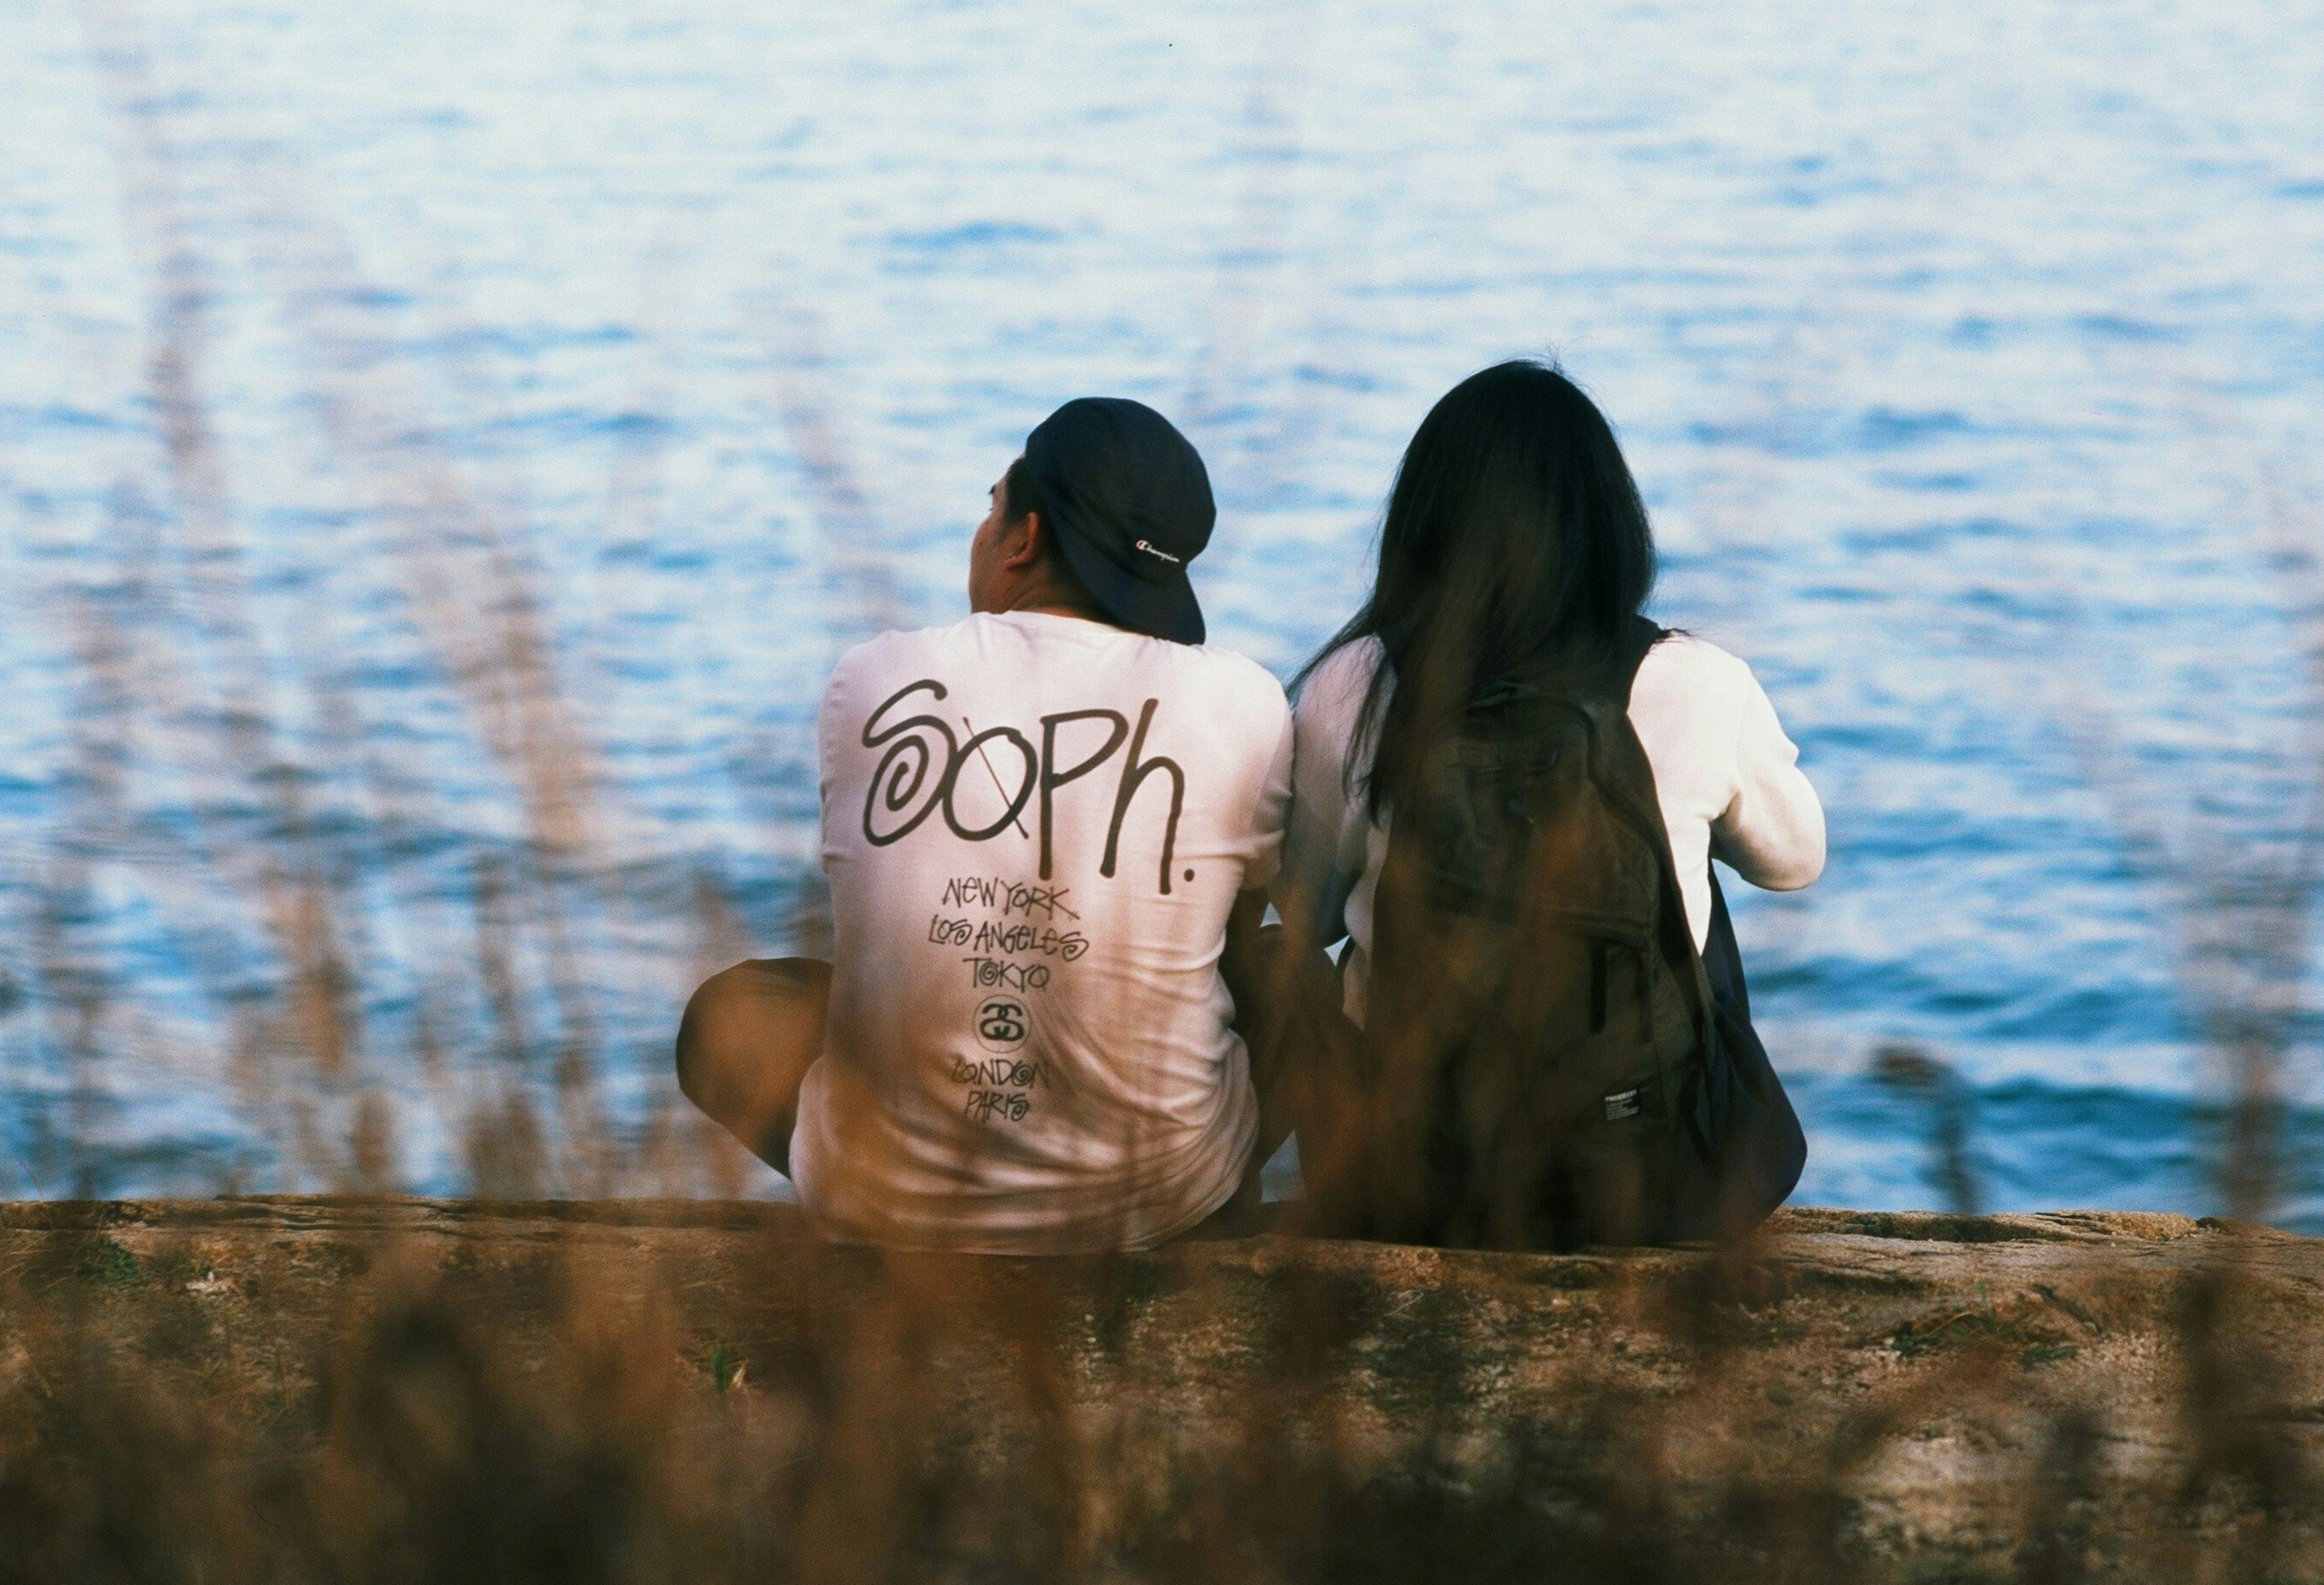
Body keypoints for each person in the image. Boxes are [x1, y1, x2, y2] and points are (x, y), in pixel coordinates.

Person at [676, 398, 1294, 1253]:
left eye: (990, 502)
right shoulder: (1243, 700)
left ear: (1023, 538)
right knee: (1293, 983)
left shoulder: (873, 679)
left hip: (881, 1207)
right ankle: (1213, 1225)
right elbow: (1239, 921)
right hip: (1159, 1211)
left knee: (725, 1017)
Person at [1276, 360, 1824, 1247]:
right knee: (1687, 877)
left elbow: (1299, 902)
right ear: (1610, 524)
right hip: (1647, 1184)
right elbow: (1797, 863)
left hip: (1413, 1185)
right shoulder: (1697, 682)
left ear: (1423, 524)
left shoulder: (1357, 684)